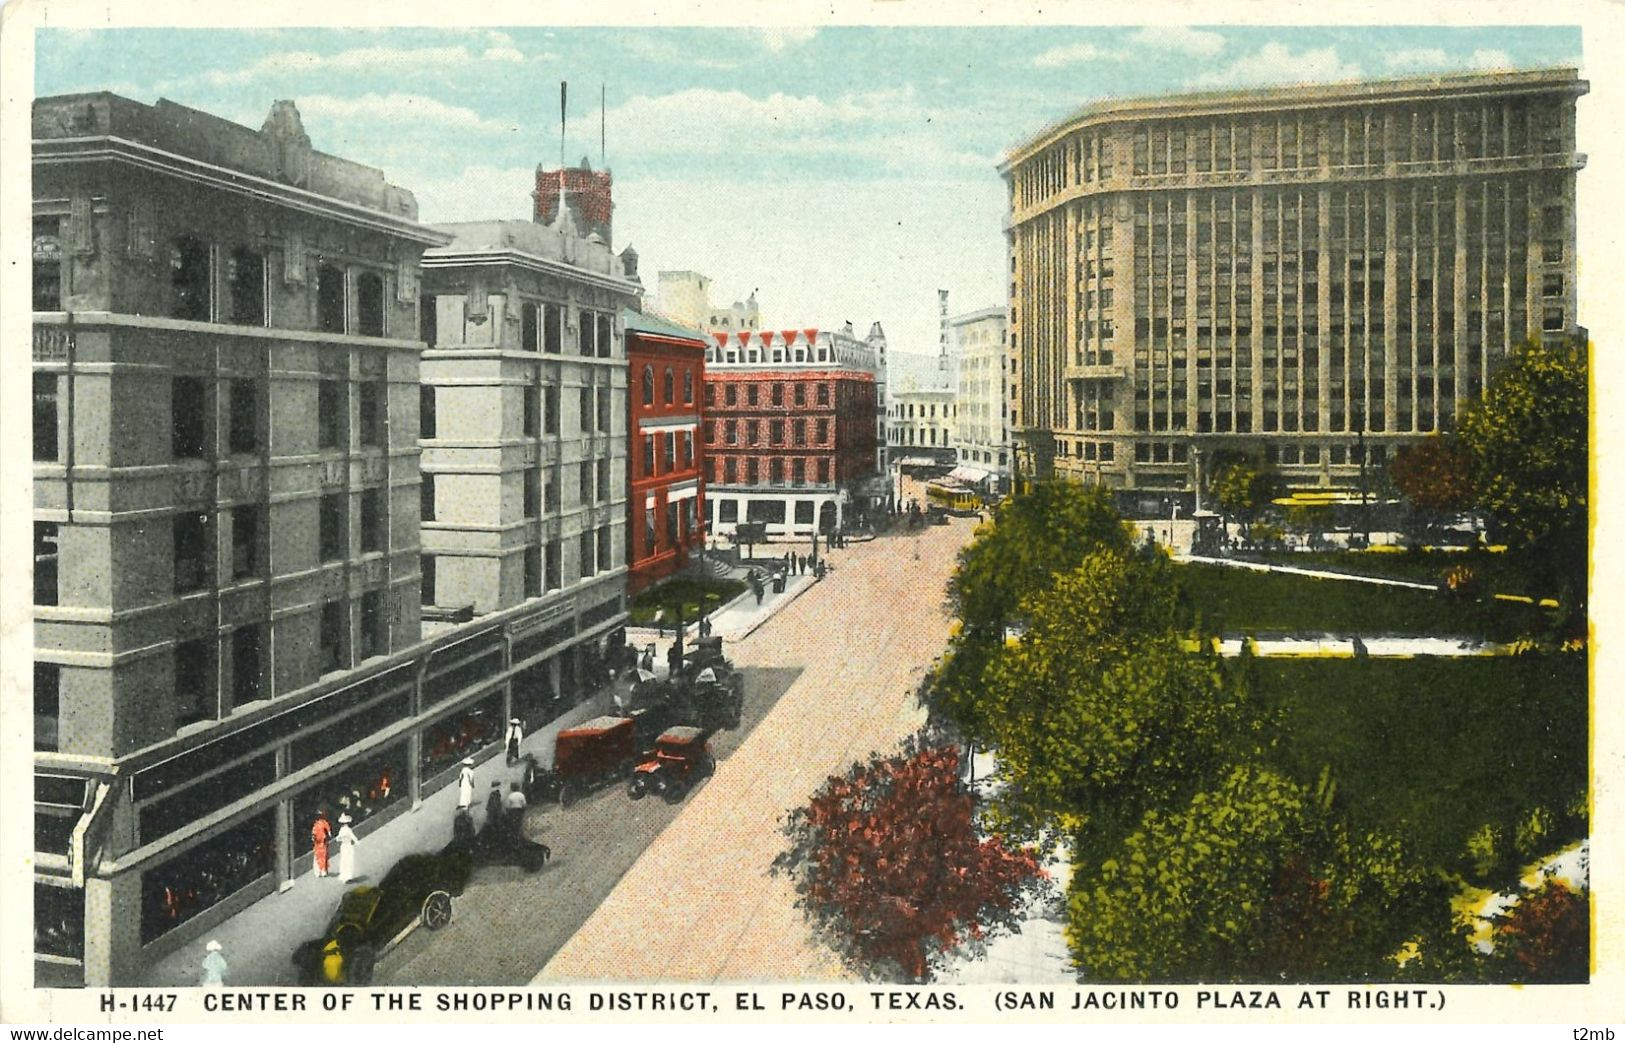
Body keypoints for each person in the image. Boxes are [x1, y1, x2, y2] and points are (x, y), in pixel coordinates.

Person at [336, 813, 359, 882]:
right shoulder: (348, 830)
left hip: (344, 846)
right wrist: (357, 842)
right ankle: (348, 876)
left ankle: (345, 875)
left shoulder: (341, 830)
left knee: (344, 860)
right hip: (348, 846)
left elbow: (337, 839)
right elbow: (353, 837)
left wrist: (341, 839)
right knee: (348, 860)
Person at [310, 810, 333, 878]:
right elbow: (328, 832)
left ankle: (321, 871)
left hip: (322, 842)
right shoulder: (318, 824)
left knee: (321, 856)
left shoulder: (321, 823)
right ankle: (321, 871)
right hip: (319, 843)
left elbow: (328, 830)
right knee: (320, 856)